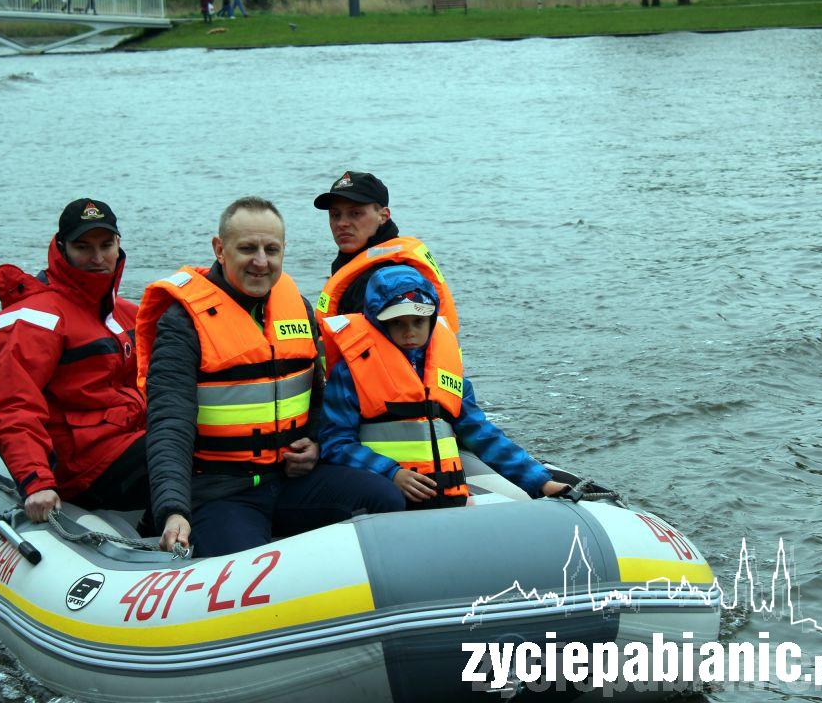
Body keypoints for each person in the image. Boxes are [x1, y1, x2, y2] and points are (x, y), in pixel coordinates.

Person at [137, 197, 403, 557]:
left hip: (290, 481)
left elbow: (318, 398)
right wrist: (172, 509)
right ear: (220, 249)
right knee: (244, 565)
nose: (261, 261)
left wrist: (315, 443)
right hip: (221, 492)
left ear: (283, 250)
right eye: (248, 248)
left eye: (271, 250)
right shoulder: (181, 323)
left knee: (386, 499)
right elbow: (169, 423)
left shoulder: (297, 306)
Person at [320, 266, 570, 509]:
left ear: (431, 319)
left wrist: (541, 482)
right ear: (378, 322)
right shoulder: (350, 372)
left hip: (450, 500)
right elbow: (336, 442)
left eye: (418, 321)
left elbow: (482, 433)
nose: (409, 332)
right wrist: (391, 473)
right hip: (391, 502)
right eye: (397, 323)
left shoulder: (447, 371)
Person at [0, 199, 151, 527]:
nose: (98, 258)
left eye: (106, 245)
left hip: (130, 442)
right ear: (61, 248)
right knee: (195, 463)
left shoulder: (127, 314)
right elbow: (13, 406)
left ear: (119, 245)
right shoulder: (32, 320)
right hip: (83, 467)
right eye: (83, 247)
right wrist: (36, 480)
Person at [312, 170, 459, 342]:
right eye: (335, 215)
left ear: (383, 216)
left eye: (355, 213)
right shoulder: (359, 265)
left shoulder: (390, 280)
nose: (342, 223)